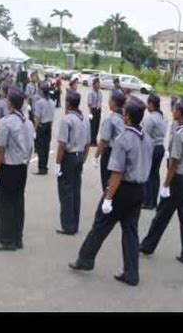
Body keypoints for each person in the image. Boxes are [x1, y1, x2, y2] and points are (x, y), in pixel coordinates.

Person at [69, 97, 154, 287]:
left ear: (127, 116)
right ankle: (131, 273)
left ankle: (85, 259)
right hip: (139, 190)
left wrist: (108, 197)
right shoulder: (147, 138)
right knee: (131, 231)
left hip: (121, 189)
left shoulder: (123, 139)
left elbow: (117, 173)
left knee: (101, 224)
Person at [140, 98, 183, 265]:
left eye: (175, 109)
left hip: (178, 179)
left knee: (162, 215)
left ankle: (147, 245)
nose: (172, 111)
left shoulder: (180, 134)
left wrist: (166, 184)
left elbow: (174, 162)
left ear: (180, 112)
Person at [0, 86, 34, 251]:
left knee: (4, 204)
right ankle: (17, 238)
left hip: (8, 168)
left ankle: (7, 240)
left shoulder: (6, 122)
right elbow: (30, 149)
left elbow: (0, 149)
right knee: (18, 203)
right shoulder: (28, 123)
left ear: (10, 103)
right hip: (21, 168)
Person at [55, 89, 91, 235]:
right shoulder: (85, 119)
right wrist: (83, 158)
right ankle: (74, 223)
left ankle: (68, 225)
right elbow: (88, 142)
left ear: (68, 103)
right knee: (76, 191)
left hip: (69, 157)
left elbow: (62, 144)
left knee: (66, 192)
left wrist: (58, 163)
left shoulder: (67, 119)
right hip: (79, 155)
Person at [92, 89, 126, 191]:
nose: (108, 102)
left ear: (114, 102)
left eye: (110, 100)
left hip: (110, 152)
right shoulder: (125, 117)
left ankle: (108, 199)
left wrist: (96, 156)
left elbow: (103, 140)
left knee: (107, 181)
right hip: (122, 152)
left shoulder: (110, 119)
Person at [141, 93, 168, 210]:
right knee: (155, 174)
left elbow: (145, 135)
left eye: (148, 103)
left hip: (151, 147)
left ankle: (148, 201)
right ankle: (154, 201)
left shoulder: (150, 118)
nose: (147, 106)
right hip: (160, 147)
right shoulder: (162, 118)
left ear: (151, 104)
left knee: (148, 173)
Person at [33, 81, 55, 175]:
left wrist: (34, 129)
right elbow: (52, 117)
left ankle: (41, 168)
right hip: (48, 125)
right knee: (46, 147)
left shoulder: (39, 102)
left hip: (42, 125)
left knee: (41, 148)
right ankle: (45, 166)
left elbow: (38, 118)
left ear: (42, 91)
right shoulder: (51, 102)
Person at [87, 78, 103, 147]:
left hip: (98, 110)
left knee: (97, 126)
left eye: (99, 83)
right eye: (97, 83)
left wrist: (100, 109)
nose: (99, 85)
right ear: (94, 85)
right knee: (92, 126)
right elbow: (89, 104)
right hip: (93, 110)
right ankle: (91, 141)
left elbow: (100, 102)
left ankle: (95, 140)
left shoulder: (100, 93)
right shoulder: (91, 93)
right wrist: (90, 113)